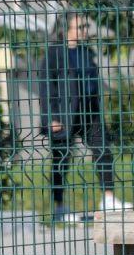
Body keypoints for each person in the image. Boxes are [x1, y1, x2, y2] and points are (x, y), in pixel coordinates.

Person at [40, 12, 132, 222]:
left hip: (90, 111)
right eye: (80, 27)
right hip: (65, 114)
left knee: (102, 150)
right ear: (66, 30)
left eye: (85, 27)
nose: (85, 31)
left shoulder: (86, 51)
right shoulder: (55, 54)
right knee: (61, 159)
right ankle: (59, 207)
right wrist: (52, 117)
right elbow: (46, 87)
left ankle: (108, 198)